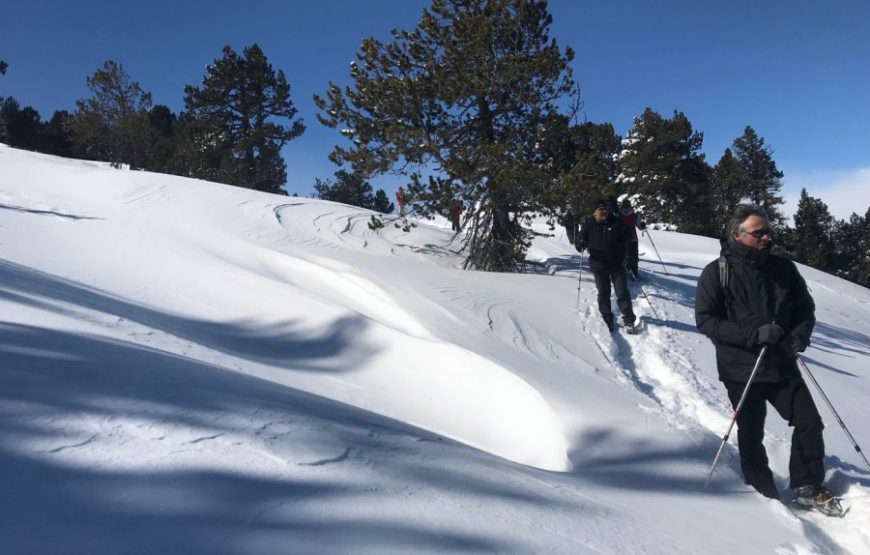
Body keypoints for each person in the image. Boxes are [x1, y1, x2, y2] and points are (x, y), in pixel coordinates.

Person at [695, 204, 830, 506]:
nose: (767, 237)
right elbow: (706, 320)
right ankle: (761, 489)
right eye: (759, 233)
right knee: (751, 430)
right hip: (740, 366)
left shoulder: (783, 269)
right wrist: (755, 335)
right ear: (738, 235)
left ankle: (807, 485)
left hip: (781, 362)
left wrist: (798, 336)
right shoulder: (717, 272)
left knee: (809, 422)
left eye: (768, 231)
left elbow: (805, 311)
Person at [576, 199, 636, 332]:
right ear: (594, 212)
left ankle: (628, 320)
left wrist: (627, 256)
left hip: (616, 262)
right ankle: (606, 318)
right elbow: (579, 242)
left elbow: (627, 239)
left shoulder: (616, 222)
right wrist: (580, 242)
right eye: (600, 210)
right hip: (598, 263)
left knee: (622, 292)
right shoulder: (588, 224)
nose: (604, 212)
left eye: (605, 209)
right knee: (603, 292)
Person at [619, 199, 646, 280]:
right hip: (633, 238)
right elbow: (640, 227)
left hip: (621, 239)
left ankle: (622, 272)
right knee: (633, 256)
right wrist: (643, 225)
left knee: (622, 256)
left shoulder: (618, 215)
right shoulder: (635, 215)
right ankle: (634, 272)